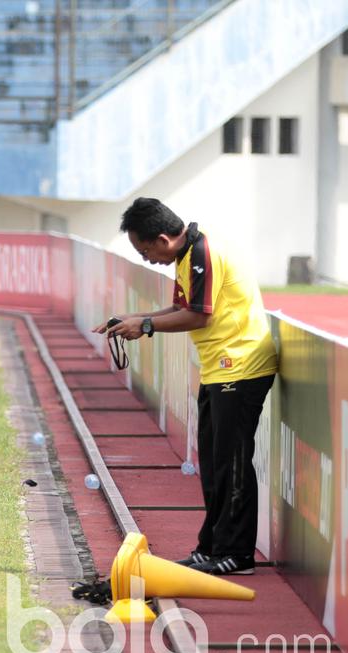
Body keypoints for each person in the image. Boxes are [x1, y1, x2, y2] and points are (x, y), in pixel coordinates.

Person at [96, 197, 277, 576]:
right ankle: (211, 547)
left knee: (232, 465)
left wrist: (145, 326)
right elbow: (183, 309)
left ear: (163, 239)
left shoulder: (202, 253)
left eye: (145, 250)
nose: (147, 259)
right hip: (221, 369)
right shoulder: (190, 253)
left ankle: (238, 554)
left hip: (241, 367)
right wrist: (136, 318)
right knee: (212, 464)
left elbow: (197, 316)